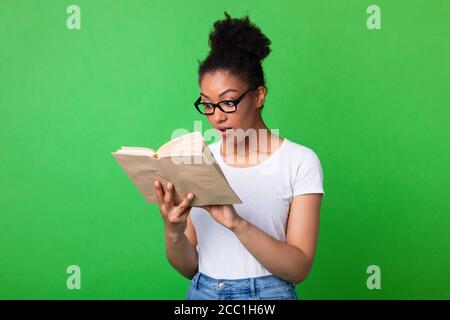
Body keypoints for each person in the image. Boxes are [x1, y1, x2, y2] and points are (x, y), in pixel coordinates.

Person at [153, 12, 324, 300]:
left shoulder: (300, 161)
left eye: (228, 102)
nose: (217, 117)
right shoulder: (198, 160)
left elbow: (298, 269)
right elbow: (190, 266)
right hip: (202, 293)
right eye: (207, 105)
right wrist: (173, 231)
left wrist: (236, 222)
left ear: (259, 96)